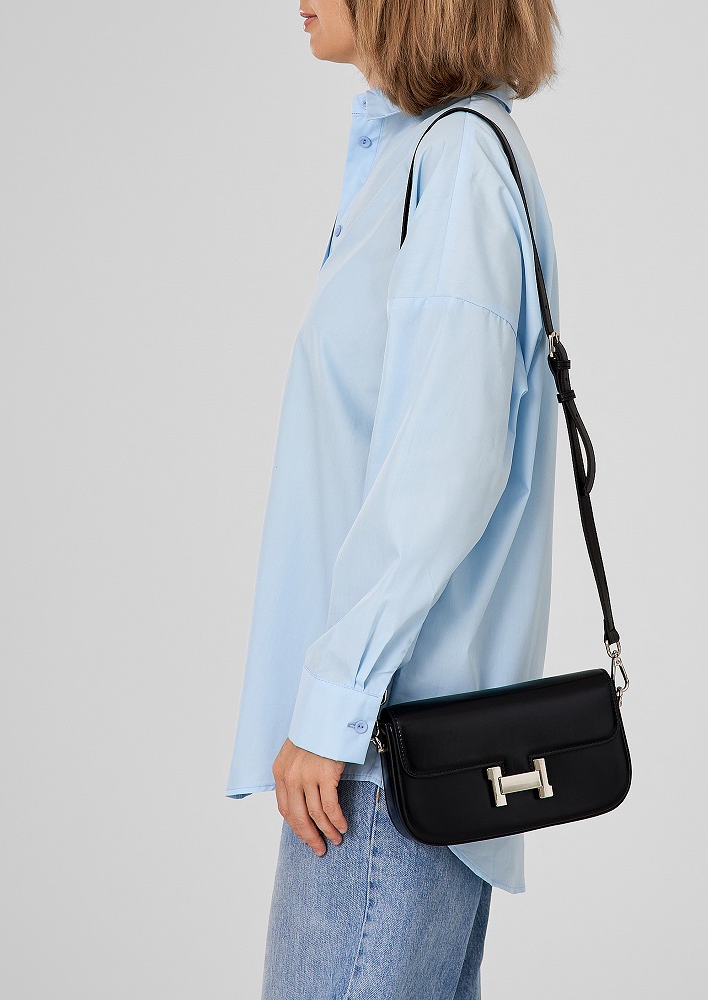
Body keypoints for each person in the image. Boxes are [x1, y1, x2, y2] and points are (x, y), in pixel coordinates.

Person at [225, 0, 562, 996]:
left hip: (383, 758)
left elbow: (444, 468)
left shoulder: (454, 166)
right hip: (391, 753)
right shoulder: (427, 157)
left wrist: (332, 704)